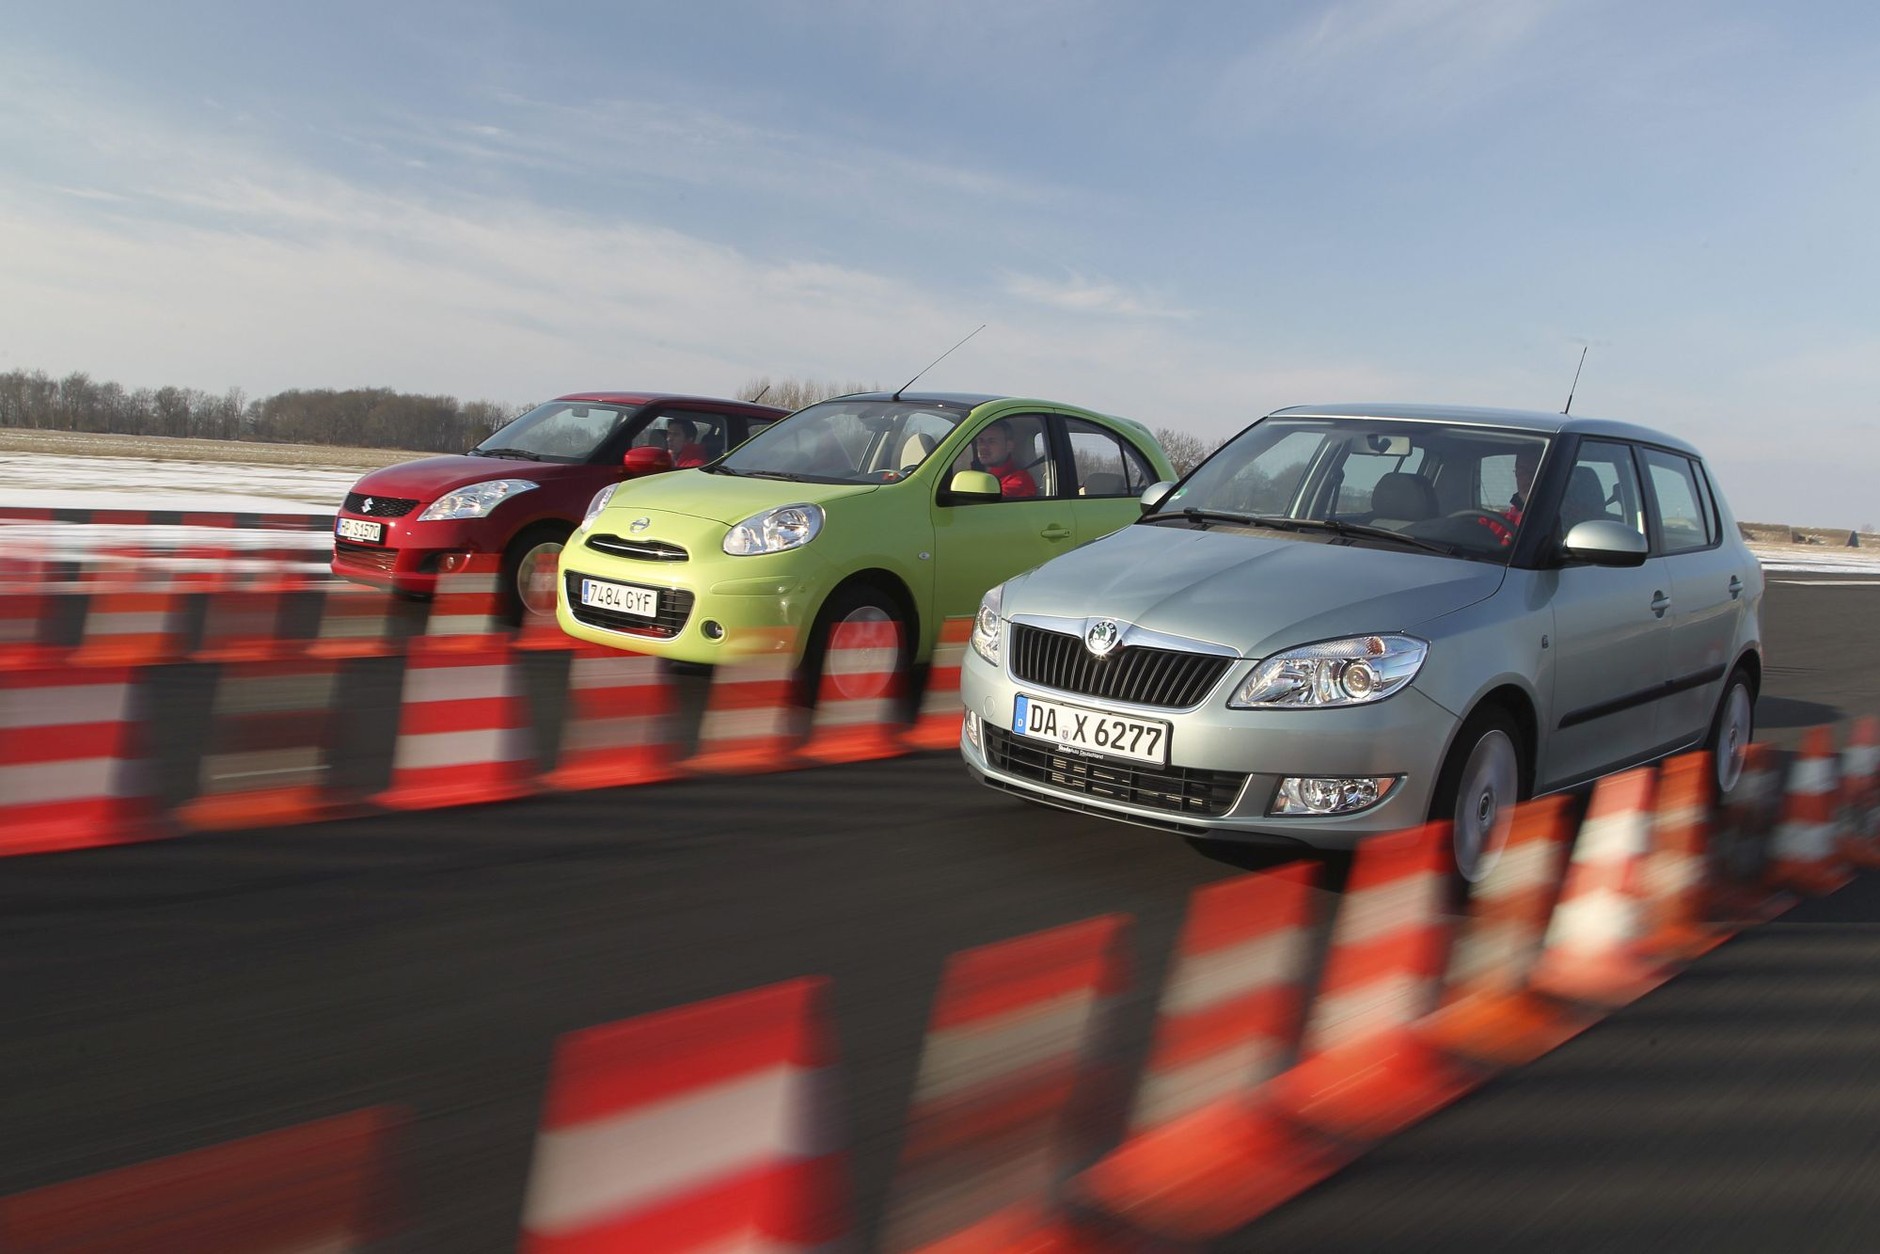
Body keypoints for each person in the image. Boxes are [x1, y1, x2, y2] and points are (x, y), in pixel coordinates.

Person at [972, 421, 1037, 498]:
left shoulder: (1020, 480)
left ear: (1009, 446)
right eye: (980, 441)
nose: (983, 447)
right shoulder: (976, 475)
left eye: (991, 441)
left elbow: (985, 502)